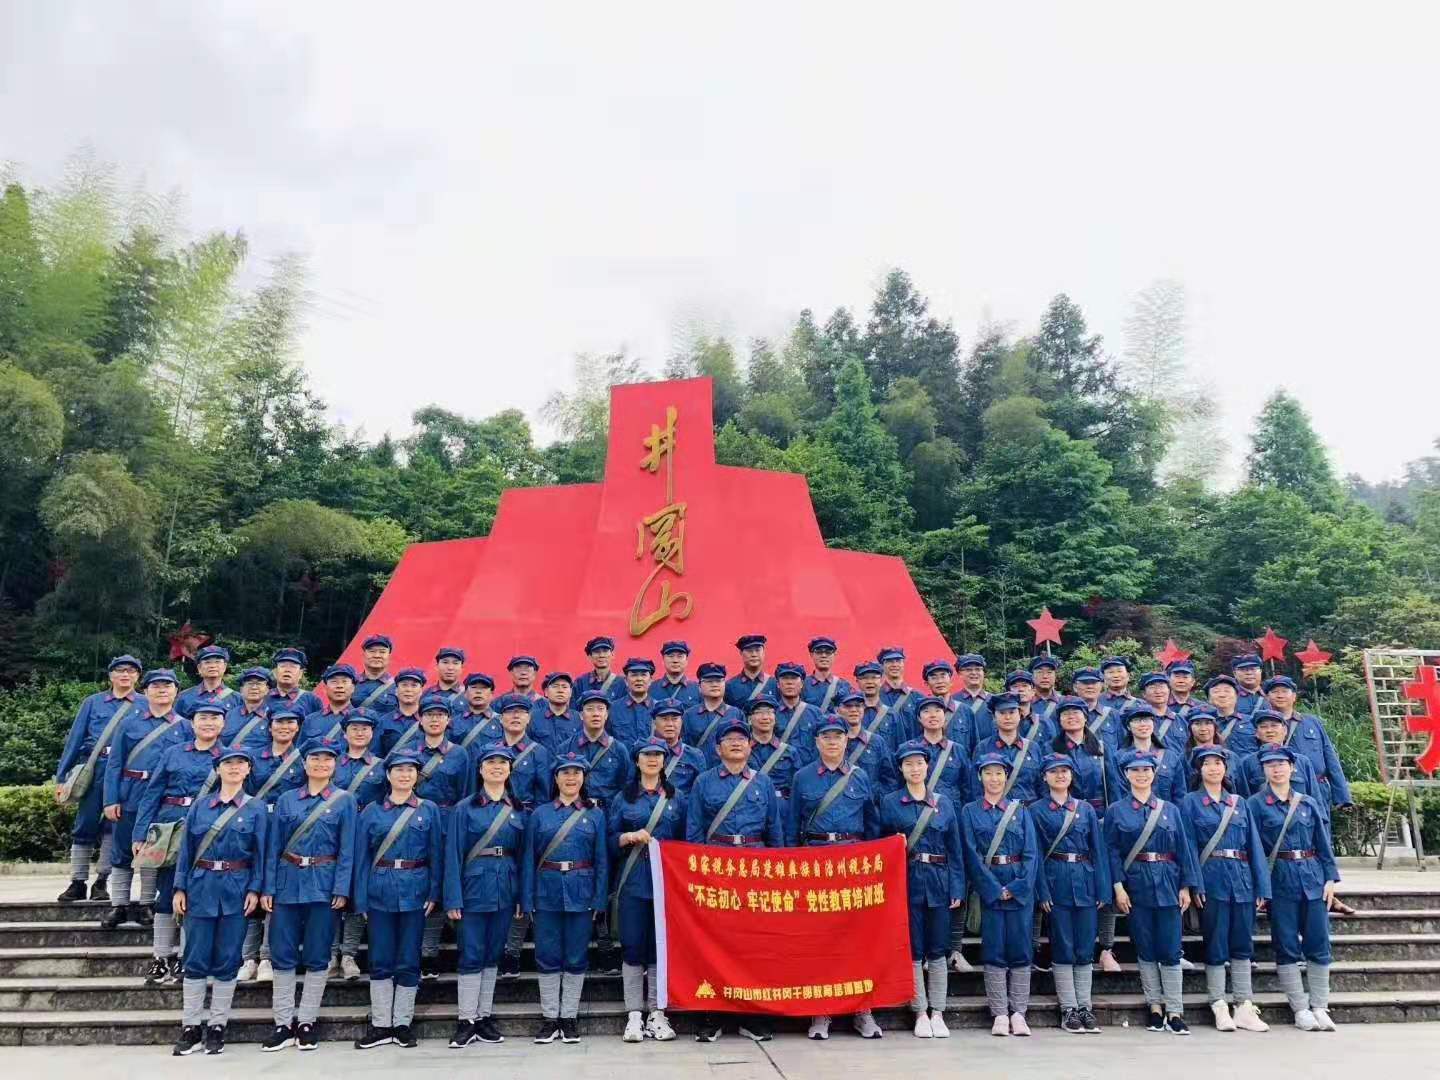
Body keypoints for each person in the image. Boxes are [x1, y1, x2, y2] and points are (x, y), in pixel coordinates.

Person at [685, 718, 785, 1042]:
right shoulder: (703, 782)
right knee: (715, 942)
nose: (737, 743)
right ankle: (713, 1014)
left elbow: (775, 832)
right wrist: (699, 872)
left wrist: (776, 872)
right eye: (729, 739)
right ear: (718, 748)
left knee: (753, 943)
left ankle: (751, 1014)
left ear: (750, 745)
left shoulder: (763, 783)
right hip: (717, 868)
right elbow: (695, 830)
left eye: (742, 738)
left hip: (755, 869)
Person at [787, 717, 882, 1040]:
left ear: (846, 741)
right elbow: (791, 826)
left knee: (857, 940)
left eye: (838, 736)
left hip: (852, 864)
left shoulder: (860, 777)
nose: (832, 742)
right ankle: (821, 1012)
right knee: (819, 941)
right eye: (825, 736)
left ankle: (862, 1010)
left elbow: (871, 825)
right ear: (816, 742)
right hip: (815, 860)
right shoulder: (802, 778)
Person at [169, 746, 267, 1057]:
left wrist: (255, 889)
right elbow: (186, 851)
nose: (234, 768)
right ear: (218, 769)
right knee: (195, 959)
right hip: (200, 887)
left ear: (248, 770)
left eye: (241, 764)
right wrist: (179, 887)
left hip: (237, 890)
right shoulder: (200, 806)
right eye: (228, 763)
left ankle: (217, 1025)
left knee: (227, 960)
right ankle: (191, 1026)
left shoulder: (256, 808)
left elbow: (261, 855)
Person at [259, 739, 356, 1052]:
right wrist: (268, 887)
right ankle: (282, 1022)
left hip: (324, 885)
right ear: (304, 764)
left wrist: (342, 889)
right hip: (287, 883)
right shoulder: (287, 799)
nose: (321, 764)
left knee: (317, 955)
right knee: (283, 954)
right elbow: (274, 846)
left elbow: (347, 850)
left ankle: (307, 1021)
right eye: (315, 759)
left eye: (327, 760)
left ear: (335, 765)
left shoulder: (344, 801)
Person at [1104, 749, 1202, 1035]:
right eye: (1135, 771)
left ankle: (1175, 1009)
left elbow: (1183, 849)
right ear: (1126, 775)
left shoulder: (1170, 809)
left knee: (1171, 948)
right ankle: (1154, 1007)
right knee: (1145, 948)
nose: (1141, 775)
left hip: (1169, 883)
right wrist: (1118, 887)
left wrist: (1186, 885)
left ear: (1154, 774)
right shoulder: (1116, 811)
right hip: (1136, 885)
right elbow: (1111, 852)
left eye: (1146, 770)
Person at [352, 750, 444, 1050]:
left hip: (415, 890)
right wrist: (361, 898)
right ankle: (380, 1024)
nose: (404, 775)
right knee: (380, 959)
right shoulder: (371, 812)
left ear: (417, 776)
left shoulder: (428, 810)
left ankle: (402, 1023)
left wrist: (433, 892)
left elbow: (435, 856)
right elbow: (362, 858)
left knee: (408, 958)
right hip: (379, 890)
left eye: (410, 770)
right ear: (388, 775)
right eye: (398, 770)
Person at [134, 703, 229, 985]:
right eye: (203, 717)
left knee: (195, 896)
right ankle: (160, 958)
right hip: (170, 828)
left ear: (223, 724)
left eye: (214, 718)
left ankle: (188, 958)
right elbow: (152, 794)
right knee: (165, 895)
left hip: (207, 832)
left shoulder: (229, 757)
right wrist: (140, 833)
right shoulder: (173, 753)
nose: (208, 723)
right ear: (192, 723)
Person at [1248, 744, 1342, 1031]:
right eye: (1270, 764)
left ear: (1293, 768)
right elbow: (1254, 849)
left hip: (1312, 879)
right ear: (1264, 769)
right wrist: (1261, 888)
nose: (1276, 769)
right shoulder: (1254, 804)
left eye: (1281, 764)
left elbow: (1323, 844)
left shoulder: (1308, 803)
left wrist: (1330, 879)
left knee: (1318, 943)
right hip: (1280, 880)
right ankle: (1300, 1007)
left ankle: (1320, 1005)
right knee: (1287, 945)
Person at [1179, 745, 1271, 1033]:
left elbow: (1254, 845)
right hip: (1212, 878)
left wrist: (1261, 885)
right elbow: (1188, 847)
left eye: (1218, 763)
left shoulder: (1238, 803)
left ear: (1225, 768)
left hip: (1241, 878)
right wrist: (1194, 883)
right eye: (1207, 764)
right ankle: (1218, 1002)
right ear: (1199, 770)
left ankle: (1244, 1005)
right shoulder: (1190, 802)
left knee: (1243, 943)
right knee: (1217, 942)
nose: (1213, 768)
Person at [879, 740, 965, 1039]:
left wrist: (957, 885)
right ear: (901, 769)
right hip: (908, 880)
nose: (915, 769)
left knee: (938, 948)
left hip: (940, 882)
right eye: (908, 764)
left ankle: (938, 1011)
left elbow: (955, 848)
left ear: (928, 767)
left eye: (919, 763)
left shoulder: (944, 802)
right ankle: (919, 1010)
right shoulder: (890, 802)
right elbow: (881, 844)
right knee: (914, 948)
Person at [523, 754, 610, 1045]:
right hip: (546, 891)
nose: (571, 778)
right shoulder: (540, 814)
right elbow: (528, 859)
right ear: (556, 778)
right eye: (565, 773)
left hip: (582, 892)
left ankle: (569, 1017)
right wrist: (527, 897)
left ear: (583, 778)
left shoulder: (595, 814)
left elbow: (601, 860)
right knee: (547, 955)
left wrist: (599, 899)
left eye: (576, 772)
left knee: (576, 955)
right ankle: (550, 1018)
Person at [444, 744, 528, 1048]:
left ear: (509, 770)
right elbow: (453, 854)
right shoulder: (464, 808)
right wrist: (452, 897)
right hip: (472, 888)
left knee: (493, 953)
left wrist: (523, 896)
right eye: (491, 762)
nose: (497, 767)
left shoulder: (518, 810)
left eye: (503, 763)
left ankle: (484, 1015)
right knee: (471, 953)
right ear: (480, 770)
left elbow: (524, 858)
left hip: (505, 888)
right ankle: (466, 1019)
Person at [607, 737, 686, 1043]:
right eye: (646, 755)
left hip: (666, 885)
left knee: (658, 950)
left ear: (664, 761)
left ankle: (656, 1012)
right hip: (632, 882)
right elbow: (609, 840)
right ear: (637, 761)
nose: (652, 759)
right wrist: (627, 837)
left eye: (658, 755)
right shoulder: (623, 798)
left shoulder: (677, 798)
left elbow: (684, 841)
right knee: (632, 947)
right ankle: (634, 1015)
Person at [101, 668, 191, 931]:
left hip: (165, 800)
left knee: (155, 851)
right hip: (132, 793)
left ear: (176, 691)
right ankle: (118, 904)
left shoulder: (185, 727)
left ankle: (145, 904)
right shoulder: (130, 724)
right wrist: (110, 799)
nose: (162, 690)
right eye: (156, 686)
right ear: (146, 690)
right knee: (122, 851)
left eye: (167, 686)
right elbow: (114, 763)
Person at [961, 752, 1040, 1037]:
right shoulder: (970, 811)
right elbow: (970, 854)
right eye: (988, 773)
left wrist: (1017, 887)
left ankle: (1019, 1011)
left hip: (1019, 888)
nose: (994, 779)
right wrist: (994, 889)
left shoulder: (1020, 811)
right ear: (980, 776)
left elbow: (1032, 853)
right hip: (990, 887)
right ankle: (999, 1013)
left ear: (1007, 777)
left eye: (999, 773)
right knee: (994, 949)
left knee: (1020, 949)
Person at [54, 653, 143, 904]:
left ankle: (102, 881)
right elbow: (75, 740)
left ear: (138, 676)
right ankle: (77, 881)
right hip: (97, 768)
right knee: (85, 824)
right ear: (111, 675)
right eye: (120, 670)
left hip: (128, 774)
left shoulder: (145, 705)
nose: (125, 675)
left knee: (115, 826)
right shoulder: (93, 703)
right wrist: (62, 776)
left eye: (131, 671)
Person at [1031, 754, 1110, 1034]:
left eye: (1065, 771)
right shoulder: (1037, 810)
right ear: (1045, 777)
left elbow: (1098, 849)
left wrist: (1103, 886)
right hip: (1056, 880)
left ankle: (1085, 1007)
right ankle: (1068, 1009)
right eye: (1054, 772)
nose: (1060, 776)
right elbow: (1036, 854)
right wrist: (1041, 889)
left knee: (1085, 947)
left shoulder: (1086, 809)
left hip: (1086, 882)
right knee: (1063, 946)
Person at [240, 707, 308, 981]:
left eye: (291, 722)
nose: (284, 727)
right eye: (279, 722)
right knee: (251, 887)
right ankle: (248, 957)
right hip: (255, 827)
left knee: (273, 891)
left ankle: (266, 956)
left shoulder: (304, 759)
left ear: (297, 727)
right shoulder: (254, 757)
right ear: (269, 727)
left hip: (286, 832)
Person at [412, 692, 476, 979]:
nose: (434, 719)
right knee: (427, 884)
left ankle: (451, 950)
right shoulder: (410, 753)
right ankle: (427, 952)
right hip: (419, 824)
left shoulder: (460, 754)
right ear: (420, 719)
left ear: (449, 720)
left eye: (440, 715)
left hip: (451, 823)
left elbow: (466, 793)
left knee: (450, 881)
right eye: (429, 715)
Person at [331, 711, 387, 980]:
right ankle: (331, 953)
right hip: (334, 831)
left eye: (365, 729)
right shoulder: (332, 763)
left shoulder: (381, 766)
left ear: (372, 733)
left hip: (366, 833)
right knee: (333, 889)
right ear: (345, 733)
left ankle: (350, 953)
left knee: (356, 889)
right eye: (354, 728)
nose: (360, 733)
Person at [1263, 675, 1353, 819]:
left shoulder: (1312, 722)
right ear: (1267, 697)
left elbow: (1330, 757)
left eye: (1284, 691)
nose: (1280, 695)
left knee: (1322, 834)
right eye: (1274, 692)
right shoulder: (1264, 727)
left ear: (1294, 697)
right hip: (1284, 790)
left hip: (1318, 788)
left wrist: (1342, 796)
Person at [1110, 703, 1187, 804]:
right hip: (1130, 816)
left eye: (1146, 719)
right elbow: (1118, 794)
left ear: (1153, 723)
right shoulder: (1119, 758)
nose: (1142, 724)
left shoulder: (1170, 757)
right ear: (1128, 726)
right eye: (1136, 720)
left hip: (1165, 816)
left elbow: (1180, 795)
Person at [977, 692, 1043, 803]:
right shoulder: (983, 748)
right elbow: (976, 788)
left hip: (1028, 812)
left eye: (1012, 712)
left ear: (1020, 715)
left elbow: (1041, 785)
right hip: (998, 814)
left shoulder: (1032, 748)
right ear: (994, 716)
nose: (1007, 717)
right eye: (1002, 713)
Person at [835, 690, 897, 797]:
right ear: (836, 710)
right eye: (848, 706)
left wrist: (873, 799)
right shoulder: (829, 743)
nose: (854, 710)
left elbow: (890, 781)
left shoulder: (877, 742)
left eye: (858, 706)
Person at [682, 662, 742, 763]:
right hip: (696, 772)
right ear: (699, 686)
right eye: (709, 681)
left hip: (727, 771)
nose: (714, 684)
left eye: (719, 681)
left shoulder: (736, 714)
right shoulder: (689, 715)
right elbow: (685, 749)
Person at [744, 695, 798, 805]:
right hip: (749, 807)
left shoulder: (789, 752)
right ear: (749, 719)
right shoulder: (741, 751)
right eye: (759, 712)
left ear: (775, 718)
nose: (765, 717)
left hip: (781, 807)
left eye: (769, 712)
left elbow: (798, 788)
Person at [650, 702, 706, 797]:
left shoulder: (695, 756)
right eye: (664, 719)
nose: (670, 724)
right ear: (654, 723)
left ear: (681, 722)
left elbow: (700, 794)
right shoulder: (643, 753)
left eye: (674, 719)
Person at [300, 664, 359, 743]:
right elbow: (300, 753)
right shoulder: (310, 720)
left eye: (344, 681)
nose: (339, 686)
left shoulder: (361, 720)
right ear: (325, 688)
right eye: (334, 682)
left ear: (353, 688)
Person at [177, 645, 235, 716]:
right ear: (199, 668)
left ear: (225, 667)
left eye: (217, 662)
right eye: (207, 662)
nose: (213, 666)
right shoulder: (184, 697)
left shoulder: (237, 699)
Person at [609, 658, 657, 746]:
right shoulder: (613, 709)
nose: (639, 679)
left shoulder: (659, 708)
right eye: (634, 675)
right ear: (626, 681)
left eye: (643, 675)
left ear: (650, 680)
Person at [530, 672, 581, 752]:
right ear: (546, 692)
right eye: (555, 686)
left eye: (564, 687)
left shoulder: (578, 719)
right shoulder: (533, 718)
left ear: (570, 692)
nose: (560, 690)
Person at [226, 668, 274, 750]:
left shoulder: (273, 716)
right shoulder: (229, 715)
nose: (254, 687)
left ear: (267, 690)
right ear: (241, 690)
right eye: (249, 683)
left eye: (259, 684)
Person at [453, 672, 502, 751]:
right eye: (474, 687)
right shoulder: (453, 722)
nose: (478, 691)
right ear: (465, 693)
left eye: (483, 688)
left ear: (492, 694)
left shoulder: (501, 722)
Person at [803, 637, 852, 712]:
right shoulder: (803, 685)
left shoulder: (843, 685)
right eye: (819, 652)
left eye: (828, 652)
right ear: (811, 655)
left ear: (834, 655)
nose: (824, 656)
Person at [268, 649, 322, 716]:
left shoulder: (312, 700)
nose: (287, 670)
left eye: (293, 667)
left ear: (300, 674)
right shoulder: (263, 697)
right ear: (275, 672)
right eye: (283, 666)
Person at [1205, 675, 1252, 753]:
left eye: (1227, 691)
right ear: (1209, 699)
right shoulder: (1202, 724)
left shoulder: (1251, 721)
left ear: (1237, 696)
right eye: (1216, 691)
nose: (1222, 695)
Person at [725, 634, 774, 706]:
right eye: (749, 651)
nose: (754, 654)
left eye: (757, 650)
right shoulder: (730, 686)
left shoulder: (774, 684)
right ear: (741, 653)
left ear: (763, 653)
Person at [353, 634, 398, 712]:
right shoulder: (351, 684)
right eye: (372, 651)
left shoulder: (397, 687)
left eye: (382, 652)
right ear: (363, 655)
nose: (377, 656)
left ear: (389, 656)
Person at [652, 640, 700, 709]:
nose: (675, 660)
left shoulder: (697, 689)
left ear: (686, 661)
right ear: (663, 660)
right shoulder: (651, 688)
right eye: (671, 656)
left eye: (680, 656)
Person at [575, 636, 626, 700]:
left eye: (605, 651)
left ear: (612, 655)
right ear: (590, 657)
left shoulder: (622, 683)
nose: (601, 655)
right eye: (597, 652)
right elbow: (574, 708)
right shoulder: (581, 682)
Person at [878, 647, 917, 715]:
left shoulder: (916, 696)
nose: (894, 665)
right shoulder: (875, 697)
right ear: (882, 666)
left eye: (898, 661)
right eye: (889, 661)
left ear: (903, 664)